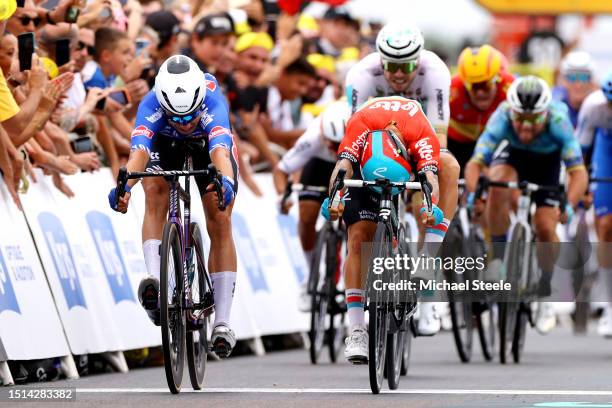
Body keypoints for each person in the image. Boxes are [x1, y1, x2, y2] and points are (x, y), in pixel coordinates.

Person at [108, 55, 239, 358]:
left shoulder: (212, 102)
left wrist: (227, 183)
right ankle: (157, 282)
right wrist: (125, 187)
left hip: (206, 147)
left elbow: (221, 152)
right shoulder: (151, 104)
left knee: (220, 217)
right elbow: (139, 154)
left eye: (189, 117)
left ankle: (222, 322)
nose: (183, 124)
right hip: (164, 147)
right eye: (176, 118)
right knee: (153, 189)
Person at [345, 21, 460, 335]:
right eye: (391, 66)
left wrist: (424, 183)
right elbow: (355, 136)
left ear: (418, 61)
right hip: (377, 146)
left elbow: (439, 137)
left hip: (419, 141)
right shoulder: (361, 76)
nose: (398, 74)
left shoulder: (435, 73)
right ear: (380, 60)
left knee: (448, 167)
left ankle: (427, 266)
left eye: (406, 65)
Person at [465, 76, 588, 334]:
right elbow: (476, 163)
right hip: (514, 157)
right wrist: (476, 195)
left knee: (545, 224)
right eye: (520, 118)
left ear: (545, 114)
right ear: (512, 112)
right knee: (497, 183)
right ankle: (498, 260)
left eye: (533, 120)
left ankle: (544, 290)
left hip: (547, 164)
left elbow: (578, 173)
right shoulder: (502, 117)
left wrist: (569, 206)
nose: (526, 127)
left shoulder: (558, 122)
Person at [325, 95, 443, 363]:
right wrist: (333, 198)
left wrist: (429, 205)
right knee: (357, 239)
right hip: (365, 176)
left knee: (423, 192)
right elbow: (342, 167)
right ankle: (356, 329)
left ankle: (412, 264)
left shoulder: (420, 129)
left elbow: (431, 178)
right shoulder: (362, 122)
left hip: (404, 175)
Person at [273, 100, 350, 310]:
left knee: (355, 219)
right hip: (318, 167)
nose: (335, 149)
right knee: (306, 215)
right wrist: (283, 196)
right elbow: (281, 170)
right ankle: (311, 275)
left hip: (352, 164)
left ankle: (351, 278)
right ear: (323, 136)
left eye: (338, 145)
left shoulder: (361, 136)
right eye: (331, 144)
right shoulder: (312, 138)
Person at [576, 71, 612, 337]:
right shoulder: (593, 107)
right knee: (606, 227)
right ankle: (610, 307)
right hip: (606, 149)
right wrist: (583, 187)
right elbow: (580, 155)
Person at [449, 44, 514, 172]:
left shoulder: (510, 88)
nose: (480, 93)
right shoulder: (451, 90)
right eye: (473, 86)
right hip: (457, 143)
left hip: (495, 143)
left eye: (485, 85)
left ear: (497, 79)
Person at [553, 51, 598, 128]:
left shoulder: (601, 103)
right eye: (572, 77)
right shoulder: (554, 102)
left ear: (592, 82)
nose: (578, 85)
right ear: (563, 81)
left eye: (584, 77)